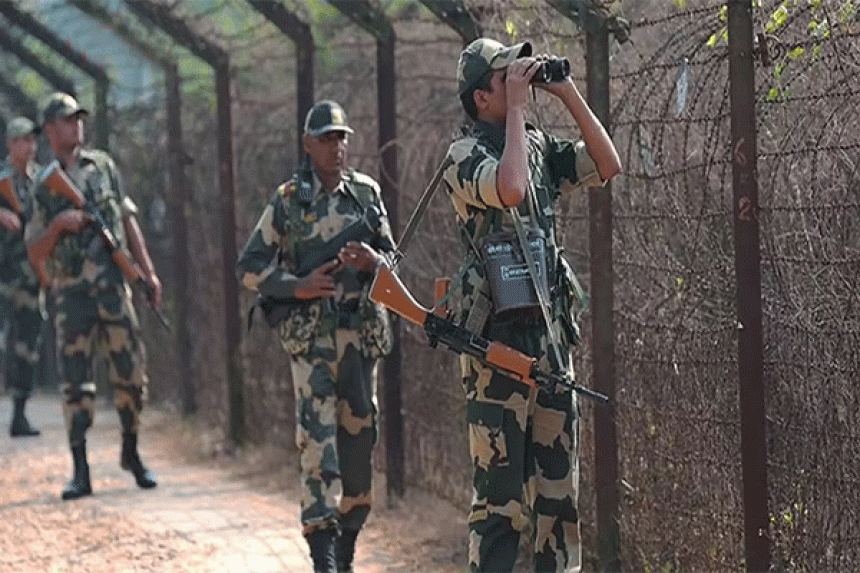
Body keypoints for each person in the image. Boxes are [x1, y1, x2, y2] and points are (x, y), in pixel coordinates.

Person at [441, 38, 622, 572]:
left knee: (558, 502)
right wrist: (518, 112)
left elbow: (607, 163)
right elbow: (511, 189)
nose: (519, 81)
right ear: (481, 98)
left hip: (549, 345)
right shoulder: (463, 155)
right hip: (495, 349)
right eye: (507, 77)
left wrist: (566, 93)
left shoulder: (537, 144)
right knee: (500, 506)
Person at [237, 100, 395, 573]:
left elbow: (393, 259)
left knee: (360, 450)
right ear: (308, 144)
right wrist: (297, 286)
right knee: (317, 449)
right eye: (326, 138)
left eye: (341, 137)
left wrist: (373, 262)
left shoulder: (366, 194)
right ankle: (323, 558)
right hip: (313, 345)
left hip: (360, 340)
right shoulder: (289, 200)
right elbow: (249, 268)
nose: (336, 147)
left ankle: (346, 546)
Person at [25, 93, 163, 500]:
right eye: (68, 120)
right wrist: (59, 225)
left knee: (131, 375)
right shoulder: (43, 185)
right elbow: (34, 251)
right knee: (76, 384)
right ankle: (80, 469)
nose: (77, 126)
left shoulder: (102, 167)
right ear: (50, 129)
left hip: (113, 289)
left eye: (79, 119)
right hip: (72, 295)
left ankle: (131, 452)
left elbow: (126, 220)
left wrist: (147, 272)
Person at [1, 116, 45, 437]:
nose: (29, 146)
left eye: (32, 140)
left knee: (28, 345)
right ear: (9, 144)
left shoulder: (42, 180)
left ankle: (20, 414)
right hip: (2, 275)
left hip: (30, 276)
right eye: (22, 140)